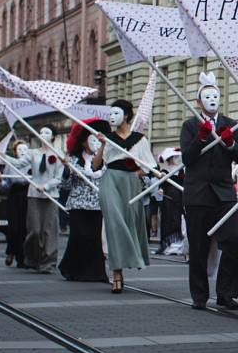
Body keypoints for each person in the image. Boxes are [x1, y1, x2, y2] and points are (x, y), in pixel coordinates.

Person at [180, 72, 238, 311]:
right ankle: (199, 295)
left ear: (220, 98)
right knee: (198, 246)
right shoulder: (190, 126)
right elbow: (187, 159)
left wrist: (230, 143)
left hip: (223, 193)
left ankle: (226, 293)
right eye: (206, 96)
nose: (211, 99)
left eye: (215, 95)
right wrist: (200, 138)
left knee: (231, 242)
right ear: (198, 101)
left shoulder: (230, 125)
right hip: (197, 194)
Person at [92, 100, 157, 293]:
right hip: (110, 181)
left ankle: (128, 261)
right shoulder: (108, 138)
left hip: (131, 184)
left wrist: (138, 172)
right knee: (114, 225)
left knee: (129, 224)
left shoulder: (140, 140)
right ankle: (117, 274)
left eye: (116, 113)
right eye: (110, 114)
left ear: (127, 116)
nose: (111, 117)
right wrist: (103, 146)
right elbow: (96, 166)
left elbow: (150, 166)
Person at [58, 119, 109, 282]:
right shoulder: (73, 159)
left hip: (96, 205)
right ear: (83, 140)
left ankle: (95, 273)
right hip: (78, 204)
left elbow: (103, 174)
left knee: (94, 239)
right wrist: (66, 169)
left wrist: (103, 146)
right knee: (78, 236)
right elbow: (65, 185)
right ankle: (74, 269)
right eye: (90, 138)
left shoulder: (103, 158)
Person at [16, 126, 65, 273]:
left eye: (46, 132)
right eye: (41, 131)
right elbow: (19, 164)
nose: (42, 134)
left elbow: (58, 177)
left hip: (51, 196)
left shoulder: (58, 154)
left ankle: (48, 263)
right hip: (34, 195)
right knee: (35, 231)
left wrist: (47, 186)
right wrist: (1, 155)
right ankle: (32, 258)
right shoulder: (33, 153)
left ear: (53, 137)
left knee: (49, 231)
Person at [4, 140, 30, 267]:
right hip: (14, 195)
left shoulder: (31, 163)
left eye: (25, 150)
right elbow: (6, 183)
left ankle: (22, 257)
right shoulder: (10, 164)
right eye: (19, 150)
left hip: (27, 195)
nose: (22, 153)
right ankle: (11, 252)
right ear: (15, 152)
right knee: (13, 226)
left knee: (24, 227)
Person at [156, 148, 186, 256]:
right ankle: (167, 246)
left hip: (178, 197)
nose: (174, 159)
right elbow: (161, 183)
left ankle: (177, 247)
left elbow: (183, 182)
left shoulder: (180, 169)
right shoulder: (164, 170)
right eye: (172, 158)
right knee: (167, 221)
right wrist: (161, 181)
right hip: (168, 198)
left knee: (177, 221)